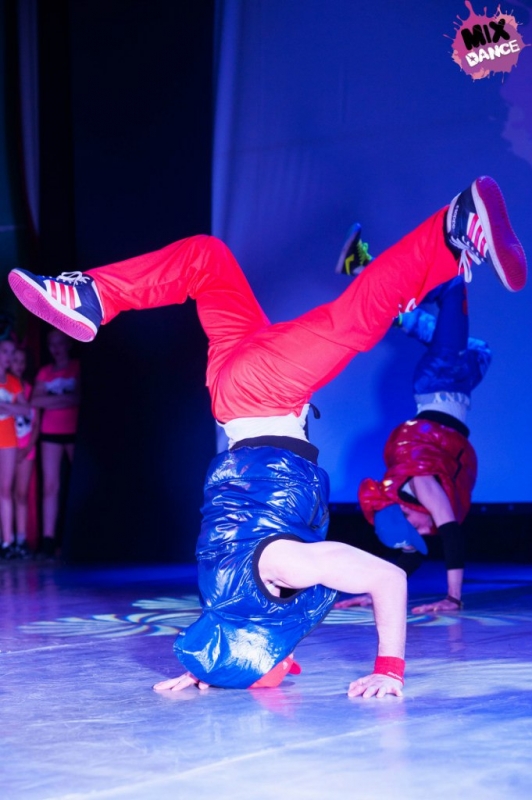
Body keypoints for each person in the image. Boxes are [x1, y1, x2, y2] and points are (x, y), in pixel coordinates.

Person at [8, 176, 527, 696]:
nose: (286, 669)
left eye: (274, 669)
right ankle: (92, 294)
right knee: (206, 258)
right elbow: (233, 632)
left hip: (263, 394)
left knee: (353, 321)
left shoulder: (282, 569)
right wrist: (204, 669)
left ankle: (453, 224)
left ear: (263, 650)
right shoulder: (229, 599)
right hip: (231, 390)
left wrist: (388, 668)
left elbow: (388, 579)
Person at [334, 275, 491, 614]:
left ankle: (373, 273)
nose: (425, 530)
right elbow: (412, 557)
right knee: (480, 352)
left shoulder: (420, 483)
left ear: (404, 511)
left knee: (453, 289)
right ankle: (404, 316)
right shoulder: (411, 506)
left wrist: (453, 598)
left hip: (440, 378)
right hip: (458, 382)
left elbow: (451, 532)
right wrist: (374, 594)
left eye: (417, 528)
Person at [31, 329, 80, 558]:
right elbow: (36, 400)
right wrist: (64, 399)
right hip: (50, 431)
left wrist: (52, 400)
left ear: (68, 344)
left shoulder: (77, 367)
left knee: (77, 484)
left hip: (74, 431)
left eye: (60, 343)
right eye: (51, 344)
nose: (56, 348)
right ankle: (48, 541)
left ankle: (74, 539)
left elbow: (79, 397)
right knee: (50, 487)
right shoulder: (45, 372)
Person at [9, 346, 40, 558]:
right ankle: (7, 540)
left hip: (26, 449)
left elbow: (36, 423)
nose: (19, 365)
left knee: (20, 494)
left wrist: (27, 448)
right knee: (5, 494)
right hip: (8, 447)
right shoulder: (6, 387)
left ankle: (21, 540)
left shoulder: (30, 389)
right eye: (15, 361)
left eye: (22, 361)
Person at [0, 339, 27, 559]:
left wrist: (6, 406)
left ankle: (7, 542)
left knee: (5, 490)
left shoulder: (14, 382)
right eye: (4, 351)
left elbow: (25, 410)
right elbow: (17, 409)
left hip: (8, 440)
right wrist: (12, 408)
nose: (8, 357)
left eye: (11, 352)